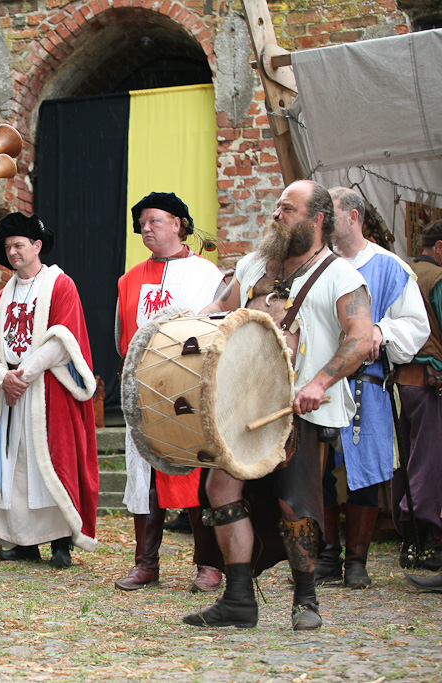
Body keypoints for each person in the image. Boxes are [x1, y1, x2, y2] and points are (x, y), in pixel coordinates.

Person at [184, 179, 372, 631]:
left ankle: (306, 601)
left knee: (294, 503)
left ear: (317, 220)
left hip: (299, 409)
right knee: (220, 489)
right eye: (277, 207)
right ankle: (238, 599)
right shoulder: (253, 265)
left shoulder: (342, 276)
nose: (276, 215)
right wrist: (181, 327)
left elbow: (361, 338)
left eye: (288, 209)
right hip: (241, 404)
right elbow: (221, 309)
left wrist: (321, 382)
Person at [317, 187, 429, 589]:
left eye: (330, 213)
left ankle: (356, 562)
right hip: (321, 383)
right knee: (319, 471)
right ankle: (327, 557)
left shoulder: (390, 267)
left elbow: (416, 325)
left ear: (353, 216)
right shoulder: (317, 264)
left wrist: (381, 329)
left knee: (364, 472)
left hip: (369, 384)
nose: (322, 221)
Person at [115, 192, 225, 593]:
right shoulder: (129, 279)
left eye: (154, 221)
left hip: (191, 394)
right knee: (143, 476)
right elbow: (123, 339)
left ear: (178, 224)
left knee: (196, 472)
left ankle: (209, 564)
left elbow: (221, 329)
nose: (146, 228)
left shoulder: (207, 275)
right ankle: (146, 564)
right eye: (142, 223)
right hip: (145, 392)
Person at [0, 212, 99, 569]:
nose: (13, 252)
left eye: (19, 245)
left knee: (51, 464)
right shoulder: (3, 295)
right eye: (8, 247)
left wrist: (23, 375)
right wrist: (2, 377)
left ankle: (60, 542)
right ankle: (22, 541)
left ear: (37, 246)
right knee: (15, 465)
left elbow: (64, 340)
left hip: (47, 390)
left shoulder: (61, 285)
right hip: (12, 395)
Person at [398, 218, 442, 591]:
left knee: (412, 459)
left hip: (405, 382)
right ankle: (426, 541)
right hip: (429, 383)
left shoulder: (404, 271)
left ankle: (414, 538)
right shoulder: (436, 279)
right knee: (429, 462)